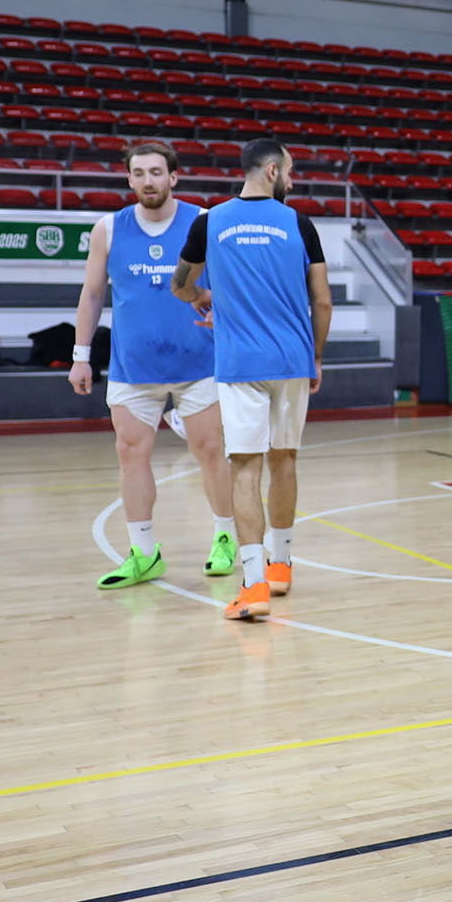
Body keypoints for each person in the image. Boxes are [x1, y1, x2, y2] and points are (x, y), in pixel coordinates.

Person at [171, 138, 333, 623]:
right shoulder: (299, 223)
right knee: (285, 461)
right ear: (270, 172)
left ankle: (254, 583)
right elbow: (321, 301)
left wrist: (204, 297)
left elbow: (180, 284)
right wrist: (317, 358)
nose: (292, 179)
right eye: (289, 171)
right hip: (292, 361)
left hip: (241, 364)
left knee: (245, 467)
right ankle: (282, 565)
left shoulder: (208, 222)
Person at [69, 139, 237, 588]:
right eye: (139, 173)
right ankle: (144, 553)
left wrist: (221, 309)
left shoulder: (202, 221)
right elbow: (91, 294)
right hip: (133, 366)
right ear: (129, 179)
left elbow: (225, 283)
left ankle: (225, 536)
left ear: (174, 177)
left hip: (199, 362)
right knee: (130, 454)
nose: (148, 181)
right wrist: (80, 356)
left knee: (210, 450)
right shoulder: (107, 228)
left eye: (156, 172)